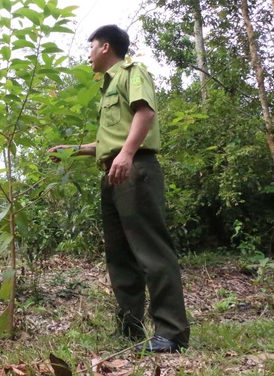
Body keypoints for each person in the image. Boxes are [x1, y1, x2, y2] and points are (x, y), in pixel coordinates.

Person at [48, 25, 190, 353]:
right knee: (120, 255)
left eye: (91, 47)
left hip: (135, 168)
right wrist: (72, 150)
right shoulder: (108, 87)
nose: (88, 55)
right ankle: (130, 328)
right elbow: (109, 141)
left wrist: (127, 154)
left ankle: (171, 333)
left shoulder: (131, 73)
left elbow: (146, 113)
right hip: (114, 170)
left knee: (151, 251)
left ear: (105, 47)